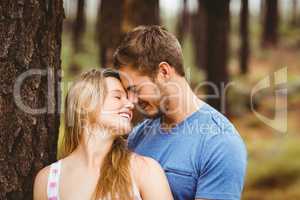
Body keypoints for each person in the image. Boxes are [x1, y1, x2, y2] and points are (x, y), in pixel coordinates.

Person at [113, 25, 248, 200]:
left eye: (135, 89)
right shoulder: (137, 136)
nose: (131, 100)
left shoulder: (220, 142)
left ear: (163, 72)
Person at [33, 69, 173, 200]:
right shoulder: (47, 181)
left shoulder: (145, 171)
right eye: (118, 97)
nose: (130, 105)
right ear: (85, 105)